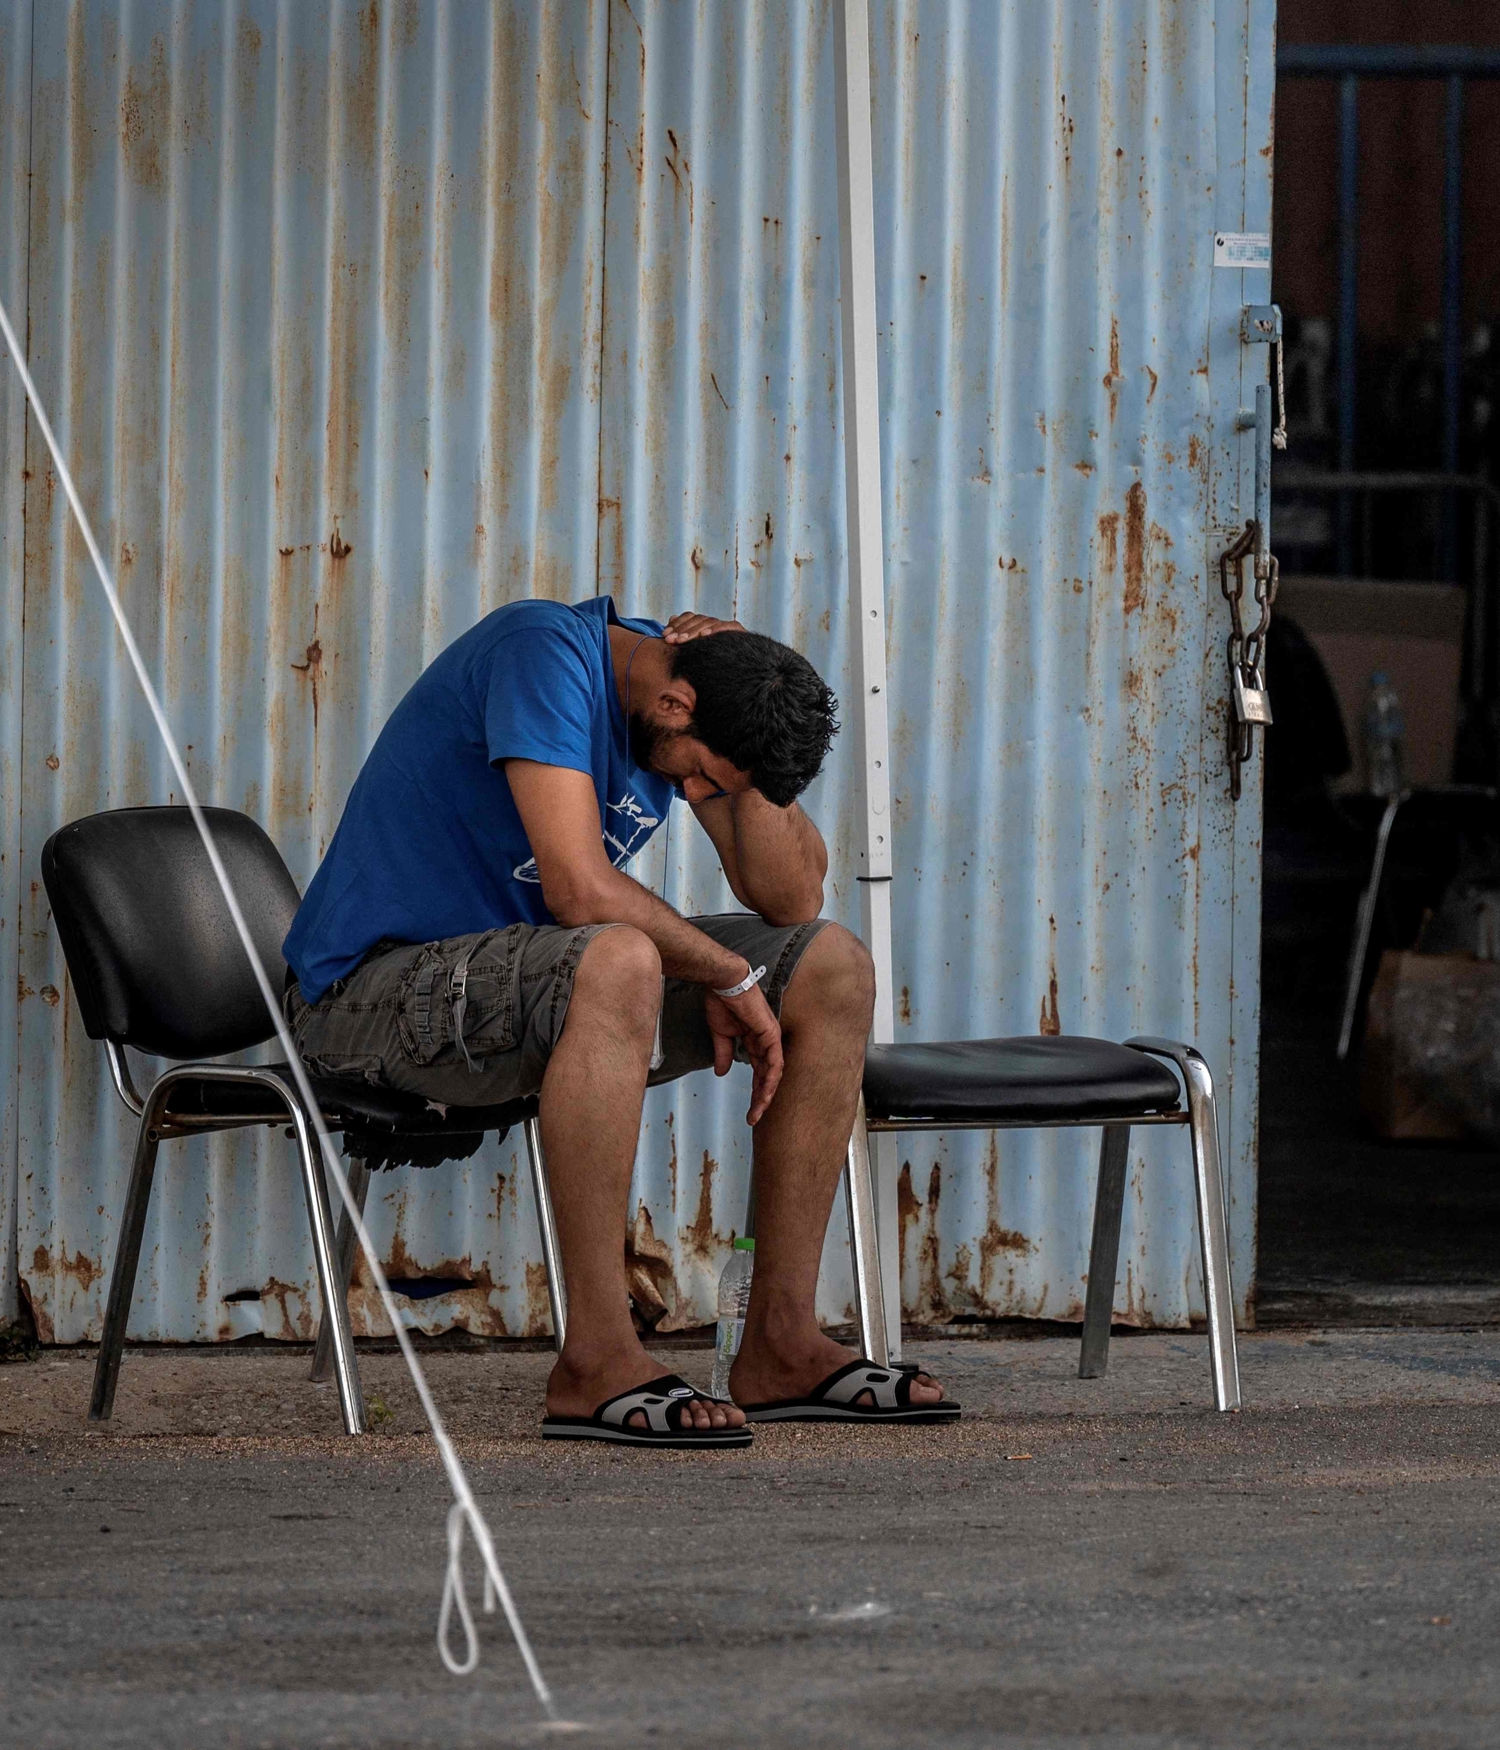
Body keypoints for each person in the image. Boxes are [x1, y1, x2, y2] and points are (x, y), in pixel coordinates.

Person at [283, 594, 956, 1447]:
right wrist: (724, 970)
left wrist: (751, 729)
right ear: (674, 705)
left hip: (524, 982)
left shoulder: (682, 709)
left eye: (711, 787)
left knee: (827, 966)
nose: (694, 793)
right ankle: (595, 1359)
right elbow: (578, 890)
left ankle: (781, 1346)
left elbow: (788, 897)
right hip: (368, 998)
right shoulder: (544, 654)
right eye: (700, 774)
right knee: (619, 953)